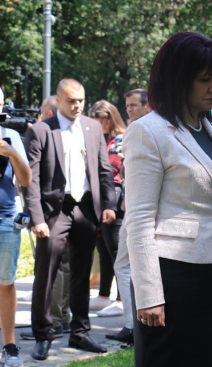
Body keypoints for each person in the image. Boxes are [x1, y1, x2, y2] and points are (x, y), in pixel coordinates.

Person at [123, 32, 212, 367]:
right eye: (205, 80)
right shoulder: (148, 131)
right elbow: (140, 218)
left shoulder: (210, 127)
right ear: (178, 80)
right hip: (171, 278)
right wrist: (148, 295)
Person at [24, 78, 117, 360]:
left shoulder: (92, 128)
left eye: (80, 100)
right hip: (54, 211)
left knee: (81, 274)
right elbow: (31, 180)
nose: (77, 106)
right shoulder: (41, 130)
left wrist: (109, 204)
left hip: (86, 209)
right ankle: (43, 334)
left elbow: (103, 171)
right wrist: (36, 217)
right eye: (71, 101)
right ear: (59, 100)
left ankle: (80, 333)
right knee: (46, 273)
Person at [20, 96, 74, 342]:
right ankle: (59, 318)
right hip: (56, 213)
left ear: (51, 113)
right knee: (60, 266)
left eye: (42, 113)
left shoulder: (49, 135)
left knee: (55, 268)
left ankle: (54, 320)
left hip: (55, 213)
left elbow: (34, 177)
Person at [0, 79, 32, 367]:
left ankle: (10, 347)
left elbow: (26, 179)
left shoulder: (9, 133)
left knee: (5, 282)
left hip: (5, 219)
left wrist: (12, 153)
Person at [111, 88, 151, 344]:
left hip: (141, 210)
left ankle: (133, 326)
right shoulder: (140, 130)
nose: (129, 110)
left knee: (126, 266)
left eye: (133, 105)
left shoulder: (144, 130)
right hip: (135, 208)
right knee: (127, 266)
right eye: (126, 106)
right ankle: (134, 324)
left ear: (147, 106)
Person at [87, 100, 126, 318]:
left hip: (116, 200)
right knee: (103, 249)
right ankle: (104, 295)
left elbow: (112, 170)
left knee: (116, 251)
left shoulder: (120, 139)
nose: (94, 126)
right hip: (102, 199)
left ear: (108, 119)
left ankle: (121, 300)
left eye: (98, 121)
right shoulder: (104, 139)